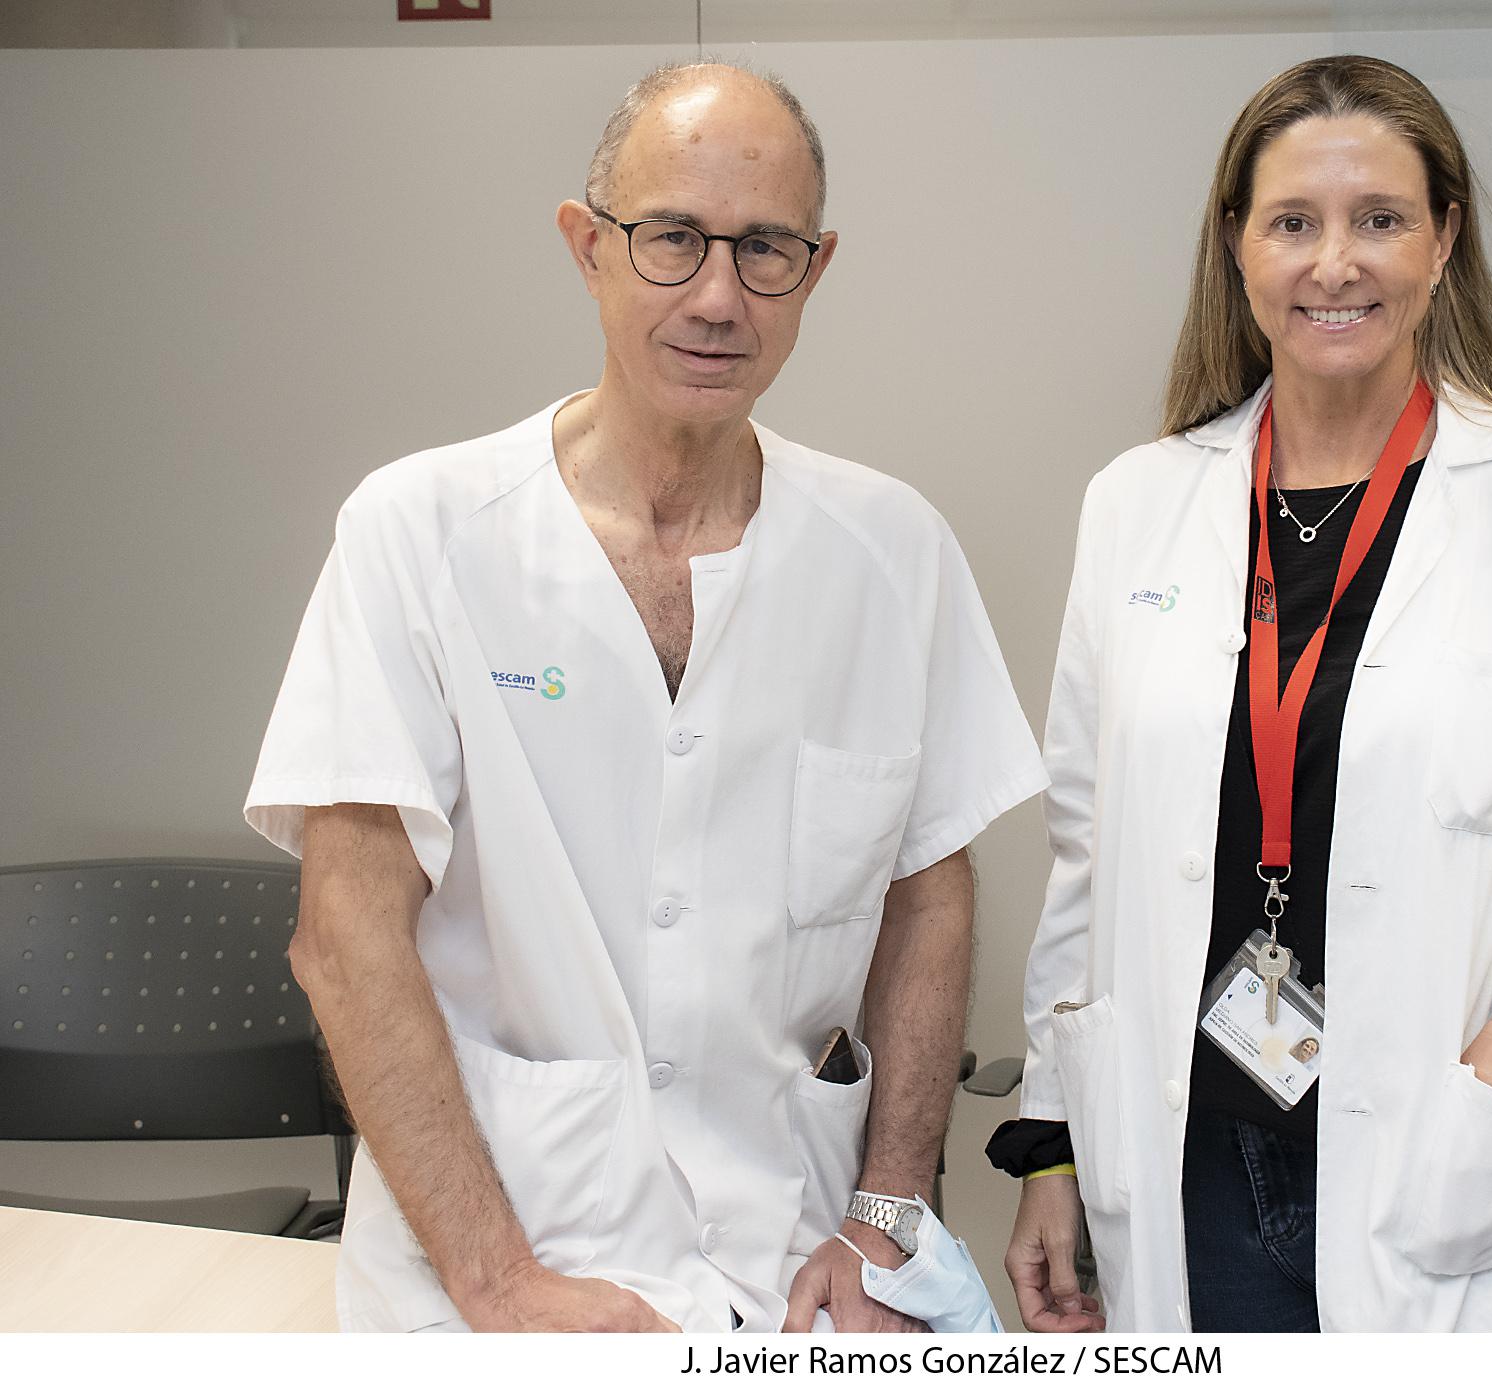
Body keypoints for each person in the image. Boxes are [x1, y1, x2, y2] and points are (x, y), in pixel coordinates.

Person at [245, 61, 1045, 1333]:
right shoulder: (421, 531)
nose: (718, 297)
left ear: (815, 271)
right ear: (588, 246)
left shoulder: (892, 552)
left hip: (792, 1265)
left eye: (765, 248)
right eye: (672, 237)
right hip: (487, 1270)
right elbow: (345, 937)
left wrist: (887, 1216)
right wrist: (500, 1284)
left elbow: (927, 895)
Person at [993, 54, 1492, 1333]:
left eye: (1377, 218)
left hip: (1453, 1161)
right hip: (1190, 1165)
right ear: (1236, 246)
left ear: (1442, 240)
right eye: (1292, 222)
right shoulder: (1136, 506)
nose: (1333, 263)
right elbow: (1087, 858)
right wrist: (1049, 1143)